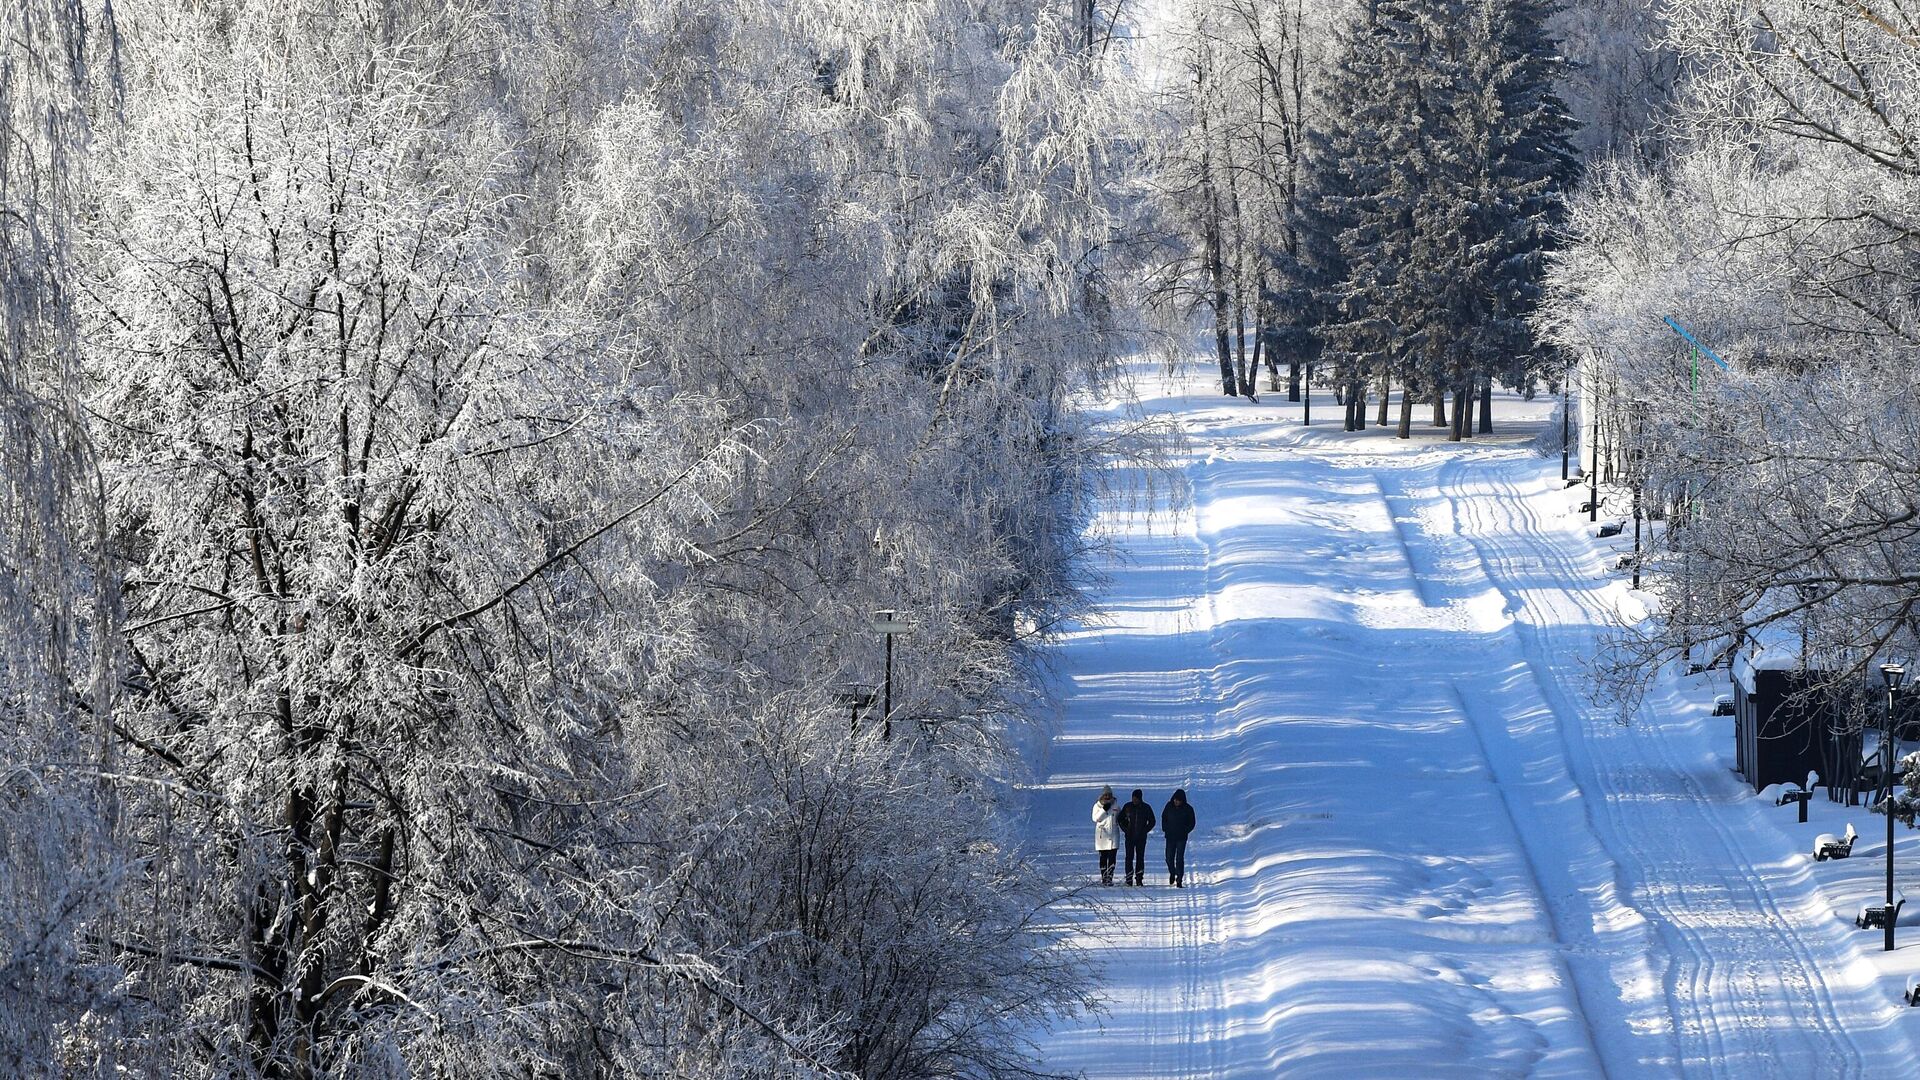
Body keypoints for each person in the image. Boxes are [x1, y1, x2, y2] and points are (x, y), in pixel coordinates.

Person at [1117, 788, 1156, 886]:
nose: (1134, 800)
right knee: (1129, 858)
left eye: (1136, 798)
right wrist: (1125, 829)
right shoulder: (1127, 806)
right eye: (1133, 798)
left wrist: (1145, 830)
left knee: (1140, 858)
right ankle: (1129, 878)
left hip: (1141, 837)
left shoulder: (1146, 808)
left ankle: (1139, 878)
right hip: (1129, 836)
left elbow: (1152, 821)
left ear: (1140, 798)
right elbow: (1120, 819)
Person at [1161, 788, 1195, 887]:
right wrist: (1165, 828)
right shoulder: (1169, 806)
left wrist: (1185, 831)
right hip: (1170, 836)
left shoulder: (1188, 809)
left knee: (1179, 859)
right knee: (1168, 858)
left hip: (1181, 838)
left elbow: (1192, 822)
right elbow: (1164, 817)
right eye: (1175, 799)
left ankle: (1179, 879)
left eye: (1178, 800)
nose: (1176, 802)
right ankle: (1172, 872)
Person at [1091, 785, 1119, 885]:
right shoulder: (1097, 806)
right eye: (1105, 795)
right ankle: (1104, 878)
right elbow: (1095, 818)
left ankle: (1110, 878)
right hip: (1102, 836)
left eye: (1109, 794)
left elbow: (1119, 817)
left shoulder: (1115, 805)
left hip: (1113, 836)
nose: (1107, 796)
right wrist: (1104, 810)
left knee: (1112, 860)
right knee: (1103, 859)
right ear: (1102, 795)